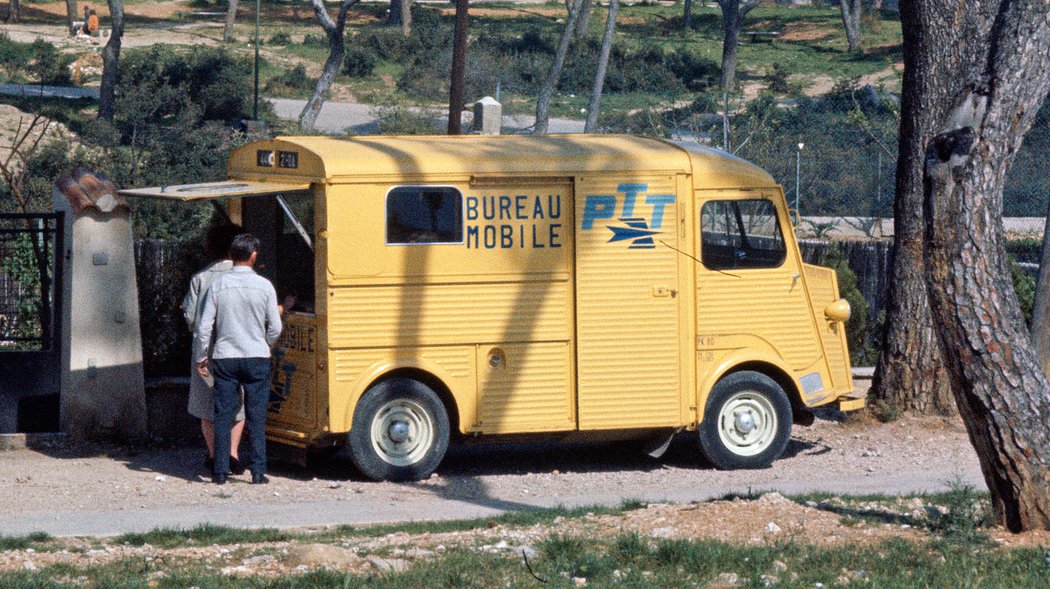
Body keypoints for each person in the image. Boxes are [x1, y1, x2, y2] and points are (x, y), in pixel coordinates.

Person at [195, 233, 282, 485]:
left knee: (223, 413)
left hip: (225, 357)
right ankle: (257, 471)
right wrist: (265, 344)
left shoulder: (218, 286)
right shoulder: (265, 287)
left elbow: (204, 327)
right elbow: (275, 327)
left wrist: (202, 356)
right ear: (254, 256)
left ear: (231, 255)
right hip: (256, 356)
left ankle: (220, 471)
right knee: (256, 416)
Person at [182, 224, 246, 476]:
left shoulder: (200, 278)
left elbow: (191, 319)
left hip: (206, 352)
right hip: (238, 349)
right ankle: (233, 453)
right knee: (238, 405)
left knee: (206, 406)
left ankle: (213, 455)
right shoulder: (249, 278)